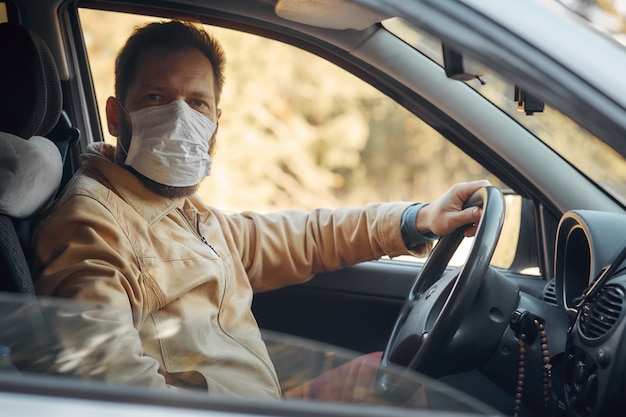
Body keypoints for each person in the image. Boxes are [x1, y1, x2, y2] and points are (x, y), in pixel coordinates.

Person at [31, 20, 489, 403]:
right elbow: (111, 386)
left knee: (400, 386)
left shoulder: (178, 207)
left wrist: (416, 220)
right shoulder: (91, 225)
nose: (179, 118)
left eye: (196, 103)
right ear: (116, 117)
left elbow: (304, 237)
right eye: (155, 98)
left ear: (215, 123)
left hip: (264, 400)